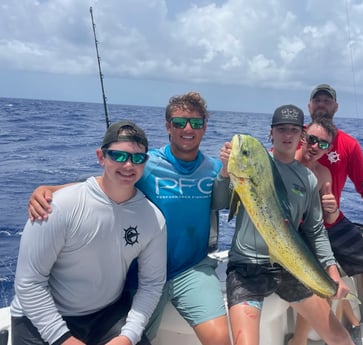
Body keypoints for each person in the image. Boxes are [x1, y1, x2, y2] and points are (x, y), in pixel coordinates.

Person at [27, 92, 232, 345]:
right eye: (179, 122)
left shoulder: (214, 168)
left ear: (205, 127)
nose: (187, 128)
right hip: (139, 272)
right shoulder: (146, 161)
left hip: (191, 269)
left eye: (196, 123)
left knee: (221, 339)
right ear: (168, 125)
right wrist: (48, 189)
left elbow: (231, 200)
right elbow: (103, 184)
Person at [11, 121, 167, 345]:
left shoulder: (154, 219)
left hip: (106, 316)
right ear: (101, 157)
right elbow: (29, 283)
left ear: (145, 162)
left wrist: (128, 336)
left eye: (138, 158)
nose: (128, 165)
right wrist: (63, 339)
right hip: (38, 318)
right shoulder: (58, 206)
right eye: (118, 156)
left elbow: (152, 284)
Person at [213, 104, 354, 345]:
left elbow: (316, 230)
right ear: (271, 133)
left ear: (302, 135)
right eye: (281, 130)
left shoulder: (308, 178)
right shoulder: (254, 163)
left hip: (290, 266)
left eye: (293, 130)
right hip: (246, 267)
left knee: (341, 338)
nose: (287, 135)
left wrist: (332, 271)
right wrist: (226, 170)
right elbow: (220, 202)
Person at [293, 84, 363, 342]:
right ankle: (304, 338)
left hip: (333, 220)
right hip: (301, 225)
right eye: (317, 100)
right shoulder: (293, 137)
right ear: (309, 107)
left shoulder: (349, 145)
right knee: (323, 280)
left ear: (336, 107)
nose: (321, 104)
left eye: (327, 101)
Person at [289, 117, 363, 345]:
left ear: (329, 149)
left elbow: (323, 222)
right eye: (312, 140)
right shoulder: (281, 161)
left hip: (304, 242)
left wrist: (332, 210)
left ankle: (347, 325)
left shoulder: (323, 175)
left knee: (334, 282)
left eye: (322, 145)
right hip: (280, 241)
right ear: (303, 137)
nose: (315, 147)